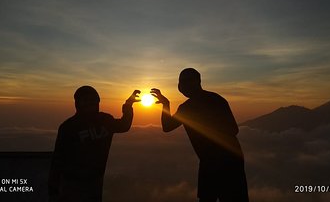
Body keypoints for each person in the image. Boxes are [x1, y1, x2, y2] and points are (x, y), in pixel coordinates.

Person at [151, 68, 249, 202]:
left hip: (217, 162)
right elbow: (234, 129)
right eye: (180, 83)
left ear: (195, 82)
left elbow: (167, 127)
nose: (181, 86)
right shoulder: (216, 99)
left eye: (184, 82)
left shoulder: (188, 108)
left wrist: (166, 105)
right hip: (230, 158)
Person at [48, 86, 140, 202]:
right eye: (86, 100)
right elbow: (58, 159)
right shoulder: (69, 127)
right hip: (74, 185)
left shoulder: (104, 120)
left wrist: (128, 105)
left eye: (92, 100)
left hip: (95, 182)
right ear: (78, 103)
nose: (90, 103)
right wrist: (53, 190)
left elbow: (124, 125)